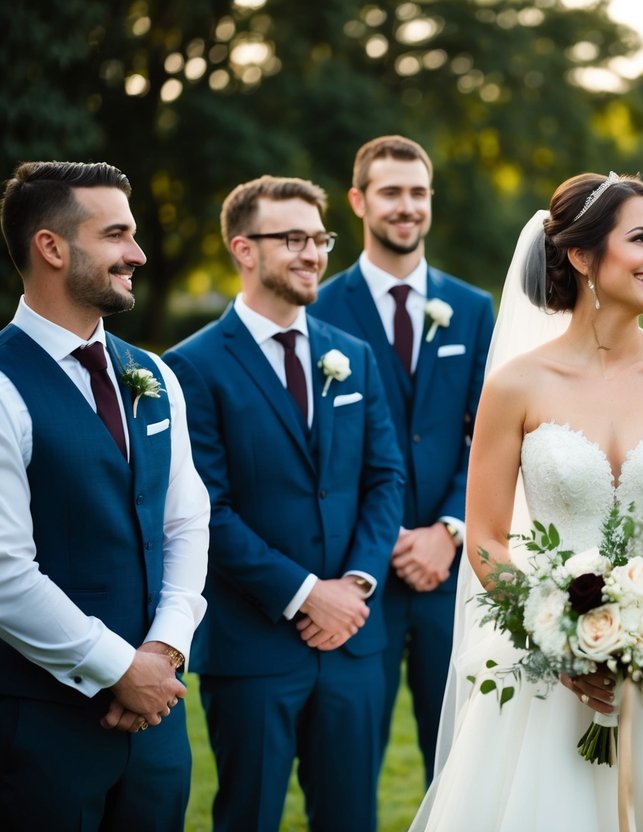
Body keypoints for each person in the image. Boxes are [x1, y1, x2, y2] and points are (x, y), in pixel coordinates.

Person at [410, 172, 643, 831]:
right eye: (640, 238)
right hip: (548, 675)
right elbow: (484, 537)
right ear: (582, 256)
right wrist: (557, 634)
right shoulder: (515, 386)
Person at [164, 175, 404, 831]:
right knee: (249, 816)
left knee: (352, 817)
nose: (313, 254)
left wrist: (354, 585)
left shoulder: (350, 356)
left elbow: (386, 479)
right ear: (244, 249)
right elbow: (204, 508)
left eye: (319, 238)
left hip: (354, 642)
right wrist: (304, 593)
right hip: (254, 647)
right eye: (292, 239)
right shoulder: (192, 366)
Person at [0, 161, 209, 829]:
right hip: (39, 730)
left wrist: (165, 650)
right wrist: (120, 667)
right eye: (116, 234)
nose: (138, 254)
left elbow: (186, 521)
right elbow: (6, 574)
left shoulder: (153, 375)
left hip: (156, 723)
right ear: (52, 247)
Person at [311, 135, 493, 781]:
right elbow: (316, 449)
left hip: (454, 575)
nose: (406, 206)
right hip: (356, 574)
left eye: (418, 193)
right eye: (391, 192)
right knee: (349, 766)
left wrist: (448, 530)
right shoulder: (318, 308)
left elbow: (494, 437)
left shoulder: (473, 309)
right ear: (359, 201)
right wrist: (382, 537)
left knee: (463, 765)